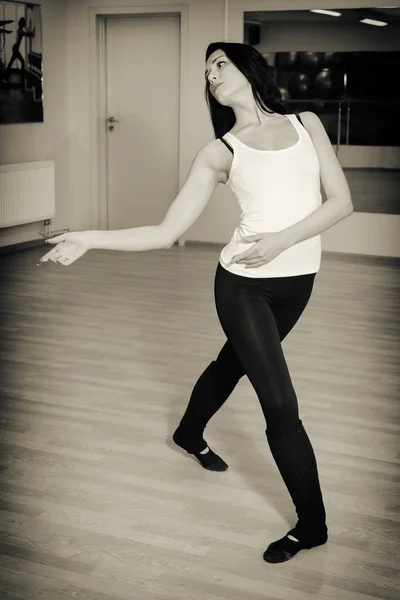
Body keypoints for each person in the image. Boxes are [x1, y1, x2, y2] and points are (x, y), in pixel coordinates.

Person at [38, 42, 353, 564]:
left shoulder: (307, 124)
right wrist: (89, 237)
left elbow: (342, 202)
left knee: (234, 364)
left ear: (248, 69)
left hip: (297, 280)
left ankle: (189, 432)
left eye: (219, 65)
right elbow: (166, 232)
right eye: (206, 73)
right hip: (243, 285)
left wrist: (281, 240)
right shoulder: (220, 151)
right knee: (280, 403)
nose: (211, 77)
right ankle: (312, 525)